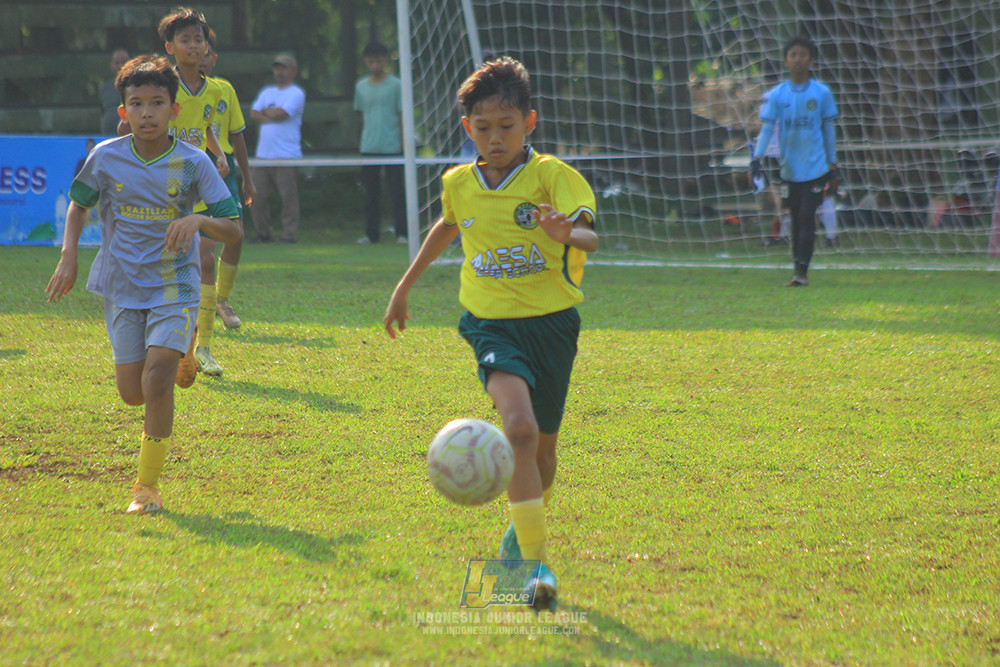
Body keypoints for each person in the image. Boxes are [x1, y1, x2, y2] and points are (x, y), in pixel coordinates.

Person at [383, 57, 598, 613]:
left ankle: (516, 537)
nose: (495, 137)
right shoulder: (459, 181)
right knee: (520, 431)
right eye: (483, 127)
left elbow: (591, 239)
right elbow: (447, 226)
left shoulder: (553, 175)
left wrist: (566, 231)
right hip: (490, 322)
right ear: (467, 129)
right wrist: (404, 286)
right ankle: (534, 566)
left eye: (506, 125)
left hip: (553, 324)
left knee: (543, 454)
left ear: (529, 122)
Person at [45, 55, 241, 514]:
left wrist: (197, 220)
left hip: (175, 284)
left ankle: (146, 489)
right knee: (132, 393)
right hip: (121, 283)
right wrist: (69, 255)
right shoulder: (105, 157)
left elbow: (233, 228)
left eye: (157, 103)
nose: (147, 113)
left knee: (156, 381)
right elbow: (78, 206)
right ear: (123, 112)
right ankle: (182, 352)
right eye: (137, 104)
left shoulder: (193, 163)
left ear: (175, 111)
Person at [188, 27, 258, 377]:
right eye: (189, 42)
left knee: (226, 242)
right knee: (184, 259)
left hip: (216, 174)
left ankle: (206, 337)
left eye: (201, 44)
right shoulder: (165, 86)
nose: (198, 50)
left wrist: (242, 172)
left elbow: (228, 133)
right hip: (174, 180)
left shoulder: (221, 90)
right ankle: (179, 337)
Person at [750, 35, 838, 286]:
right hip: (788, 167)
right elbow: (766, 129)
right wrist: (756, 159)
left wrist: (833, 164)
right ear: (786, 60)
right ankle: (797, 267)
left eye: (802, 55)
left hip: (816, 165)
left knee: (807, 215)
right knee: (795, 217)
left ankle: (801, 271)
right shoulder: (777, 95)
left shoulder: (821, 93)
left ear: (811, 60)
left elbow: (829, 130)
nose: (798, 59)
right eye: (793, 55)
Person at [249, 53, 305, 243]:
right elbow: (254, 114)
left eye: (284, 68)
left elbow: (283, 113)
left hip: (287, 155)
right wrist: (269, 114)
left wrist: (268, 112)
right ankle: (263, 233)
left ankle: (289, 235)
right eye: (277, 68)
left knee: (288, 199)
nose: (279, 72)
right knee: (256, 197)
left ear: (293, 71)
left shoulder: (296, 93)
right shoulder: (267, 92)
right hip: (263, 155)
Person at [353, 42, 405, 245]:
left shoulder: (396, 85)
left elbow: (401, 115)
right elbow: (361, 116)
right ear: (366, 62)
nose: (374, 64)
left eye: (378, 60)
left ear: (385, 60)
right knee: (371, 195)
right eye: (371, 61)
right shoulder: (361, 86)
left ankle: (402, 233)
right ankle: (371, 234)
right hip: (369, 147)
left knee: (397, 192)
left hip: (392, 146)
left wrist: (402, 144)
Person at [99, 48, 130, 135]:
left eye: (124, 62)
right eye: (116, 63)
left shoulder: (137, 87)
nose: (120, 66)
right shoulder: (104, 88)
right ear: (111, 65)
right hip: (107, 136)